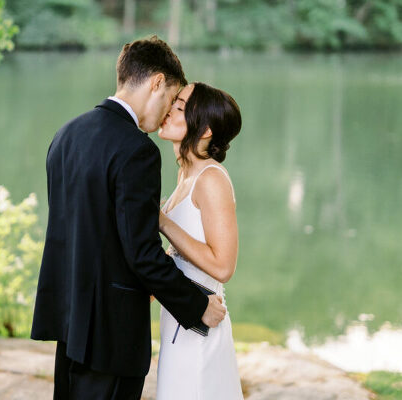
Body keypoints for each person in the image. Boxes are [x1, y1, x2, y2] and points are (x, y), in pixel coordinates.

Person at [31, 37, 226, 400]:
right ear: (157, 83)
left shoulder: (66, 135)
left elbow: (76, 233)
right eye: (171, 98)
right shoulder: (137, 150)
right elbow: (141, 253)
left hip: (69, 324)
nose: (167, 112)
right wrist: (197, 305)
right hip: (112, 335)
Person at [156, 81, 244, 399]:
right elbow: (180, 254)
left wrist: (161, 221)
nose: (168, 110)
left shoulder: (211, 178)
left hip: (200, 331)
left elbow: (223, 266)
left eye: (179, 106)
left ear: (205, 129)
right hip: (179, 321)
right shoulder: (185, 176)